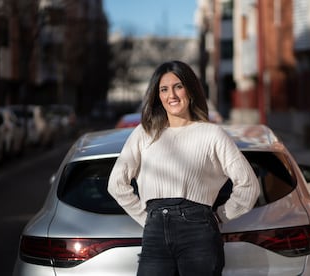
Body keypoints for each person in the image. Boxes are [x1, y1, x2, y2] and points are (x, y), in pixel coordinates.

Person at [108, 60, 260, 276]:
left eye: (178, 86)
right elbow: (116, 184)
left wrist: (220, 216)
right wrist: (147, 218)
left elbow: (248, 185)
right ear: (157, 96)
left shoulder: (212, 134)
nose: (172, 95)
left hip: (199, 233)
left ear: (190, 90)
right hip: (155, 232)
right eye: (164, 89)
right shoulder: (145, 133)